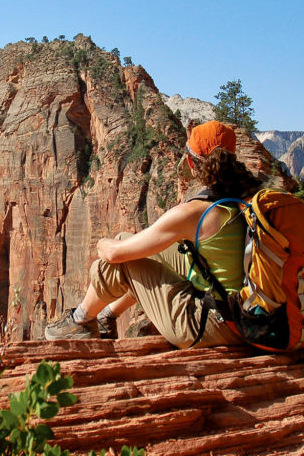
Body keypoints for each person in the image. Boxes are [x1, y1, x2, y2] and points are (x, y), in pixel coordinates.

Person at [44, 120, 264, 348]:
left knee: (115, 259)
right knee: (132, 245)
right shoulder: (246, 197)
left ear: (190, 162)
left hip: (214, 326)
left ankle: (79, 322)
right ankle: (106, 316)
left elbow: (113, 254)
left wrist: (101, 242)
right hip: (247, 315)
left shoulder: (194, 213)